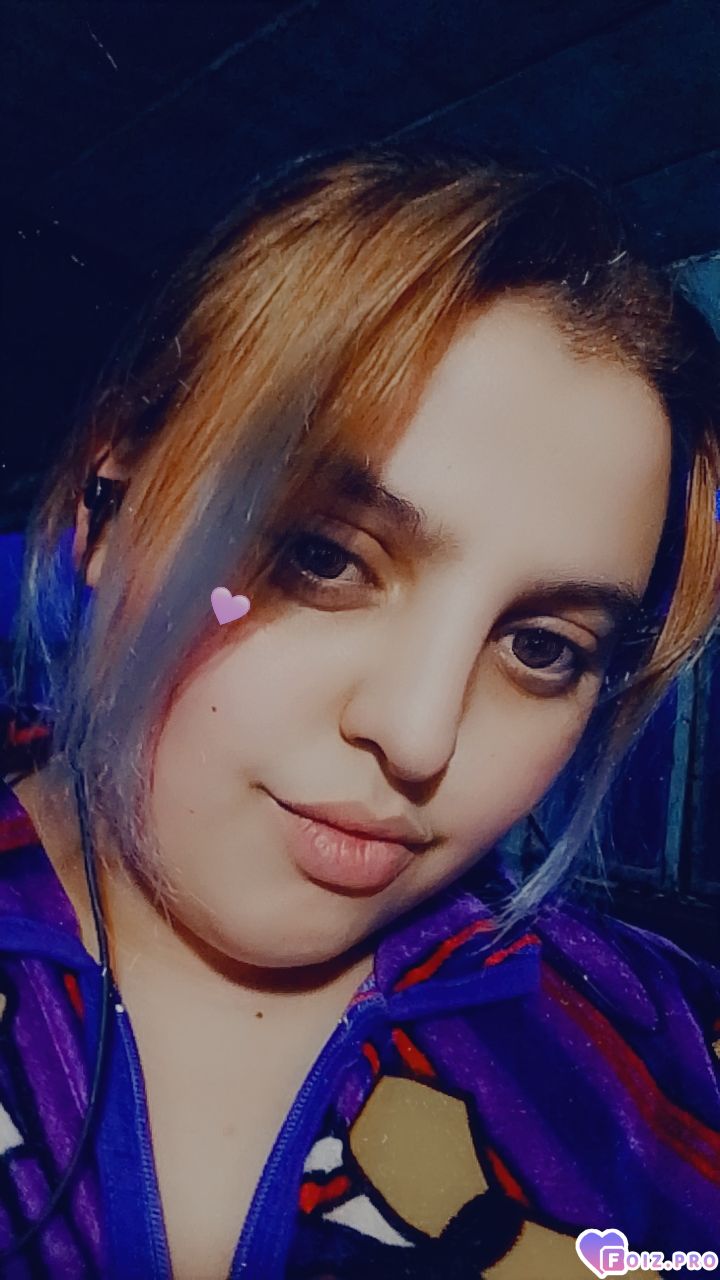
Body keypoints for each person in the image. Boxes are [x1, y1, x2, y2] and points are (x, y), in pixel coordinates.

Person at [0, 143, 718, 1280]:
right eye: (323, 556)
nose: (421, 735)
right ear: (105, 506)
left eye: (542, 647)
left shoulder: (659, 1056)